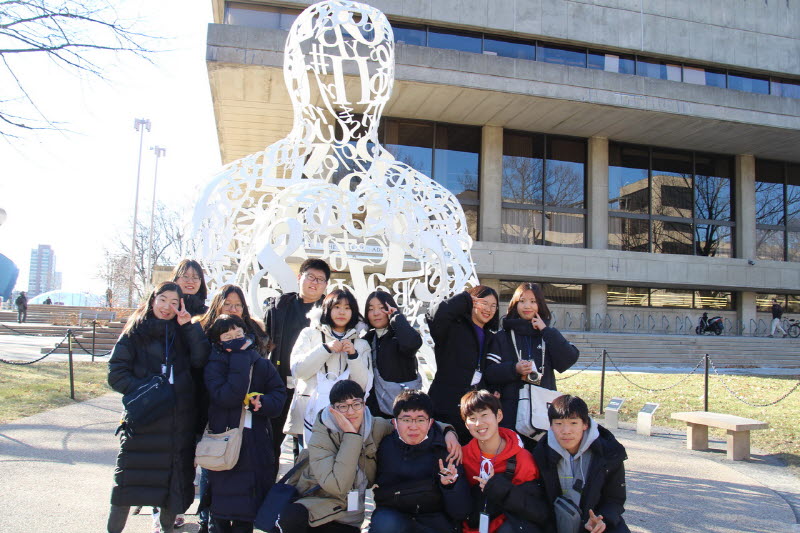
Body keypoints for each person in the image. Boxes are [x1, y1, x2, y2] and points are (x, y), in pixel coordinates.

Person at [276, 380, 462, 532]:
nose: (351, 412)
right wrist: (352, 436)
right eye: (343, 406)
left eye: (356, 404)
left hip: (348, 512)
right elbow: (337, 486)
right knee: (292, 518)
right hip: (316, 500)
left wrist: (448, 431)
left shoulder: (374, 426)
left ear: (364, 404)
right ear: (333, 409)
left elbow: (408, 422)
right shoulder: (322, 433)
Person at [106, 282, 211, 533]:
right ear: (153, 300)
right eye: (162, 300)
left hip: (178, 423)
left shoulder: (184, 331)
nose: (166, 307)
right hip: (144, 421)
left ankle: (167, 529)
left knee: (172, 486)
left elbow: (201, 359)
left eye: (174, 303)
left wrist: (188, 326)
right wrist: (149, 392)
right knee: (127, 483)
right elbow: (116, 374)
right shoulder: (135, 331)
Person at [204, 314, 286, 533]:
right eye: (228, 336)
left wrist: (263, 402)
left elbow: (278, 394)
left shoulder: (261, 363)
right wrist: (240, 356)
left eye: (238, 334)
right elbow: (228, 396)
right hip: (224, 443)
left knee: (247, 513)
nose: (235, 339)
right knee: (220, 514)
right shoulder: (214, 365)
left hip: (255, 444)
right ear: (218, 341)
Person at [485, 282, 579, 449]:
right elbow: (489, 372)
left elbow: (568, 359)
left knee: (540, 457)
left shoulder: (547, 335)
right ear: (515, 304)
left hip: (542, 410)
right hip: (510, 411)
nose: (527, 306)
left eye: (533, 301)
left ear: (540, 305)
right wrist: (514, 369)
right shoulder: (502, 337)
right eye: (522, 301)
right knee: (512, 456)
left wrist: (546, 330)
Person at [369, 390, 469, 533]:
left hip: (433, 519)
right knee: (386, 524)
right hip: (393, 516)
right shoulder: (382, 444)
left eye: (420, 420)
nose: (413, 426)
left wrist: (451, 486)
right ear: (395, 423)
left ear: (430, 423)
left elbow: (461, 512)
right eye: (406, 420)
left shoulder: (446, 449)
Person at [265, 258, 331, 465]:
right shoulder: (280, 307)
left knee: (306, 447)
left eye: (320, 279)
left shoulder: (330, 312)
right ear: (299, 277)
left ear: (326, 285)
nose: (314, 282)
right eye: (310, 276)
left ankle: (300, 485)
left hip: (312, 388)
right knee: (269, 443)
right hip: (279, 384)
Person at [533, 395, 630, 533]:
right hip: (553, 523)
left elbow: (614, 498)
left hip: (595, 523)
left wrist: (602, 519)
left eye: (573, 423)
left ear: (585, 424)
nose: (566, 431)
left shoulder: (609, 452)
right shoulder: (540, 453)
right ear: (551, 426)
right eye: (558, 423)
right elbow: (535, 499)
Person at [287, 288, 371, 445]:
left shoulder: (361, 344)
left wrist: (353, 356)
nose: (342, 312)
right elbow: (298, 371)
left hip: (347, 416)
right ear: (327, 309)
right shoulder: (309, 334)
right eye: (336, 307)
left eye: (347, 308)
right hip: (310, 411)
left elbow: (363, 384)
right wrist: (325, 349)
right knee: (308, 458)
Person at [459, 390, 550, 533]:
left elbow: (534, 507)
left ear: (499, 416)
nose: (478, 423)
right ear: (466, 424)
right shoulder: (461, 455)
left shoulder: (522, 458)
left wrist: (501, 489)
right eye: (472, 418)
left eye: (484, 415)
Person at [427, 285, 500, 443]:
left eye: (493, 306)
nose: (489, 309)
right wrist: (464, 298)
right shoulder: (454, 328)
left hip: (473, 407)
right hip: (445, 402)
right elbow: (434, 315)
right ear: (472, 302)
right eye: (484, 303)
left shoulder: (491, 337)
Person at [170, 258, 210, 530]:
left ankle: (201, 509)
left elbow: (204, 355)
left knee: (198, 453)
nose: (191, 281)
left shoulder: (207, 313)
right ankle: (171, 508)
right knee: (176, 454)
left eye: (196, 277)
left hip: (201, 393)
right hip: (172, 392)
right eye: (185, 275)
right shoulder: (166, 309)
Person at [362, 290, 423, 419]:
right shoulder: (368, 339)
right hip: (375, 412)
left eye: (382, 308)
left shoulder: (399, 336)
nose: (376, 313)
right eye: (371, 309)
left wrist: (396, 317)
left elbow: (412, 343)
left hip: (404, 410)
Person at [199, 284, 269, 358]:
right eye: (227, 304)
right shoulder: (202, 332)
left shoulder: (256, 332)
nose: (233, 310)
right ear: (216, 305)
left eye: (238, 305)